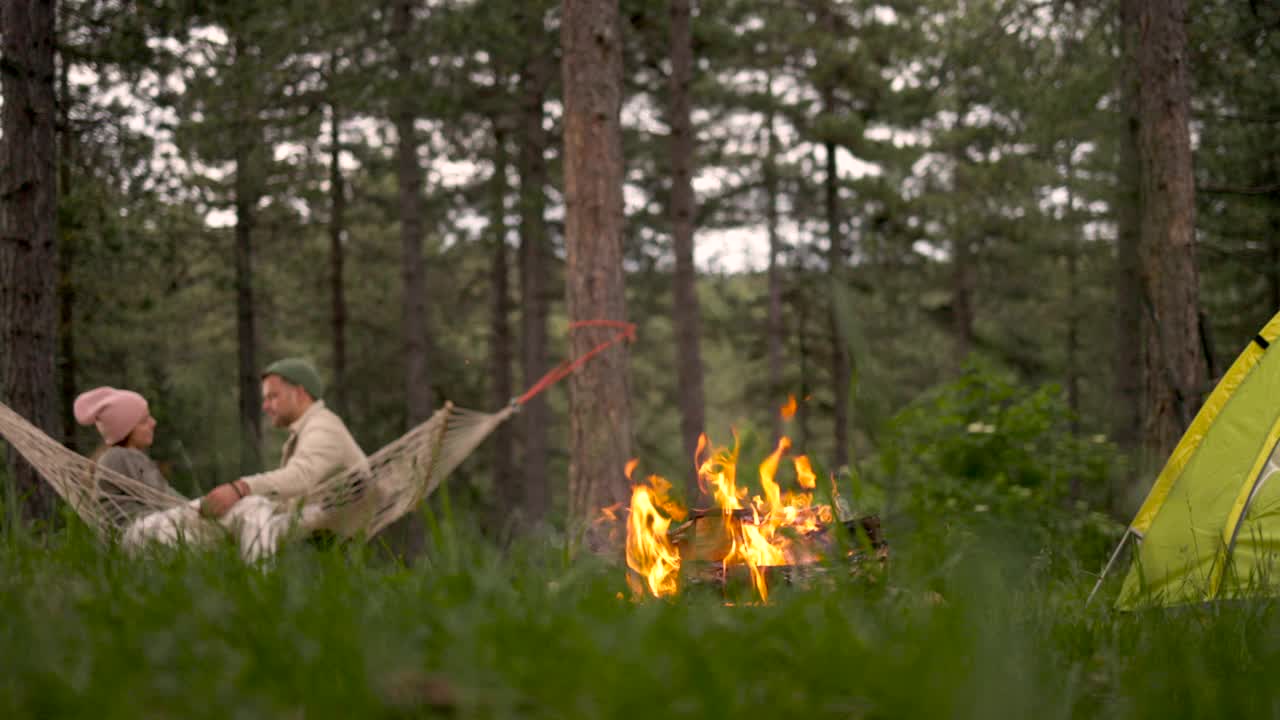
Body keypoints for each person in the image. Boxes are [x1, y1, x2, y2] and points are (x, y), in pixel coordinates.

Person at [200, 357, 367, 527]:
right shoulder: (311, 427)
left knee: (246, 510)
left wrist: (241, 488)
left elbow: (300, 477)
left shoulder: (323, 426)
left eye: (273, 396)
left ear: (300, 394)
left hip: (333, 530)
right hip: (323, 526)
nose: (265, 406)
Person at [74, 386, 182, 527]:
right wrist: (199, 508)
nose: (153, 423)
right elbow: (162, 496)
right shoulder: (121, 456)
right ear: (126, 431)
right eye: (144, 421)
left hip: (139, 528)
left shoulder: (115, 457)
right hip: (139, 530)